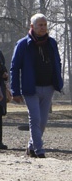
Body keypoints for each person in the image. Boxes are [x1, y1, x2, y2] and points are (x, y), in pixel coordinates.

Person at [10, 13, 63, 158]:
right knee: (35, 119)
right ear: (32, 26)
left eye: (45, 25)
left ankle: (31, 146)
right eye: (40, 25)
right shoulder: (22, 44)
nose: (43, 27)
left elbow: (57, 62)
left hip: (48, 87)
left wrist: (59, 81)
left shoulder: (52, 43)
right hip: (30, 88)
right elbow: (14, 68)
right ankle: (39, 150)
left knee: (43, 121)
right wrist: (15, 91)